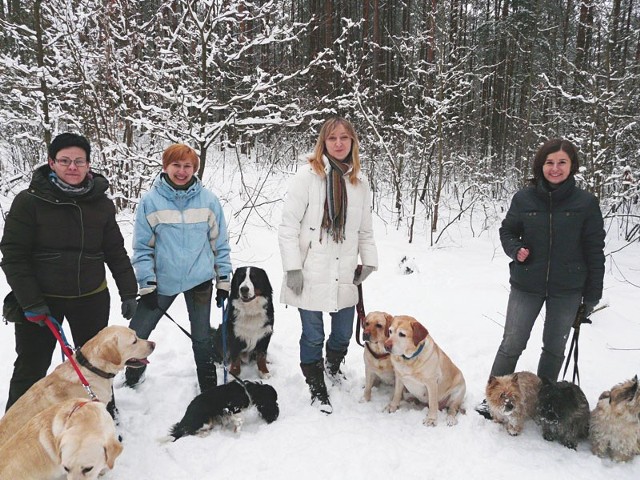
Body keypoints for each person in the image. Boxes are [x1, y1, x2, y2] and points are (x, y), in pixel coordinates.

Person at [0, 132, 138, 411]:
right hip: (41, 302)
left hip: (90, 298)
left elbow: (115, 250)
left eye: (79, 161)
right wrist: (31, 301)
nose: (72, 167)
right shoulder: (29, 202)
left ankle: (103, 416)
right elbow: (13, 255)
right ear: (51, 163)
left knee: (97, 364)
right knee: (31, 366)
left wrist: (128, 290)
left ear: (88, 164)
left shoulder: (101, 203)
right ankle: (14, 428)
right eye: (64, 160)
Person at [478, 138, 605, 417]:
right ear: (541, 165)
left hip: (568, 288)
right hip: (527, 284)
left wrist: (592, 295)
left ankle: (542, 402)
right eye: (549, 162)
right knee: (512, 343)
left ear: (572, 166)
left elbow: (595, 250)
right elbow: (507, 230)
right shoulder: (524, 198)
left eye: (562, 162)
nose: (555, 168)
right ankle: (492, 400)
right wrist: (515, 249)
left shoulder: (585, 203)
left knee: (554, 347)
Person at [278, 117, 378, 414]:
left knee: (344, 333)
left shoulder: (360, 182)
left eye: (344, 138)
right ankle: (314, 380)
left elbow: (364, 230)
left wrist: (369, 262)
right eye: (332, 138)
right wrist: (292, 267)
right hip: (310, 269)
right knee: (313, 334)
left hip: (345, 269)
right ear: (324, 142)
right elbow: (288, 226)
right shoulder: (307, 177)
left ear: (353, 143)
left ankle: (333, 367)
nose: (338, 143)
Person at [125, 144, 232, 393]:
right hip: (162, 282)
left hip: (200, 281)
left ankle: (208, 387)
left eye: (187, 166)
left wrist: (224, 280)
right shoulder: (151, 202)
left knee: (202, 338)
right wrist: (147, 284)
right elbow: (142, 248)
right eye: (176, 165)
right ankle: (133, 379)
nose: (182, 171)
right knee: (137, 332)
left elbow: (220, 243)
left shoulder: (208, 201)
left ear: (195, 168)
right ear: (165, 167)